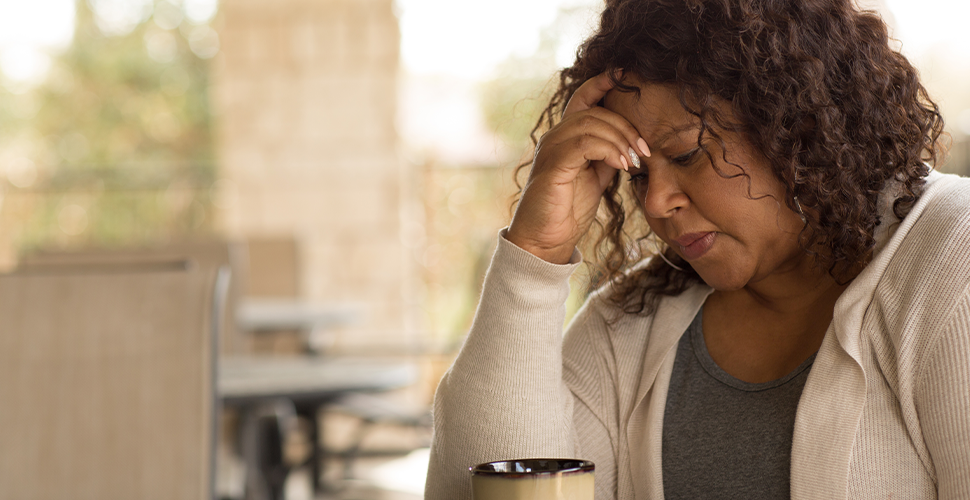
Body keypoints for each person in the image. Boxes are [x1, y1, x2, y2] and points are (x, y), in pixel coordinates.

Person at [425, 0, 970, 498]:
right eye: (636, 173)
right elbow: (478, 485)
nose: (657, 203)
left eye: (686, 154)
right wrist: (535, 256)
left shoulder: (951, 259)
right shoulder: (628, 327)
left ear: (793, 125)